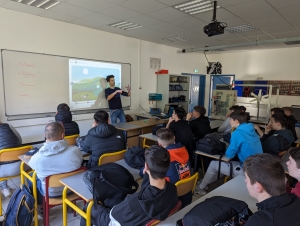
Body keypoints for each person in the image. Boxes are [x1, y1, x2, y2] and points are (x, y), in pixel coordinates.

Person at [80, 145, 178, 226]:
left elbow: (112, 216)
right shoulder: (173, 189)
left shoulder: (133, 203)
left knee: (89, 207)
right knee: (109, 201)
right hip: (143, 217)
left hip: (113, 220)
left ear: (146, 166)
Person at [195, 112, 263, 195]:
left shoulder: (237, 133)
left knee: (214, 164)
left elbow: (229, 154)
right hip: (258, 167)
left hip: (247, 171)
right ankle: (205, 182)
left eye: (230, 119)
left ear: (236, 121)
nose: (229, 121)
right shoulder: (251, 130)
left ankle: (200, 188)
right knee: (221, 165)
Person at [28, 122, 82, 204]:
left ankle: (40, 207)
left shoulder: (37, 158)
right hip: (73, 190)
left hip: (51, 193)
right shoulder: (75, 151)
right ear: (63, 135)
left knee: (31, 177)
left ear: (45, 135)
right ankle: (70, 205)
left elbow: (32, 166)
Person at [243, 154, 300, 226]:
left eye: (246, 178)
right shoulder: (295, 198)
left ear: (258, 187)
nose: (245, 181)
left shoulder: (259, 221)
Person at [140, 128, 191, 207]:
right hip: (187, 193)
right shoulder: (184, 150)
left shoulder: (163, 158)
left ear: (159, 144)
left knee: (148, 174)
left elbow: (144, 173)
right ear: (174, 138)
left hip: (170, 196)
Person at [0, 121, 22, 197]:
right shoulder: (9, 126)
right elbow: (20, 141)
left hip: (3, 171)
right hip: (21, 166)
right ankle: (28, 190)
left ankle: (4, 188)